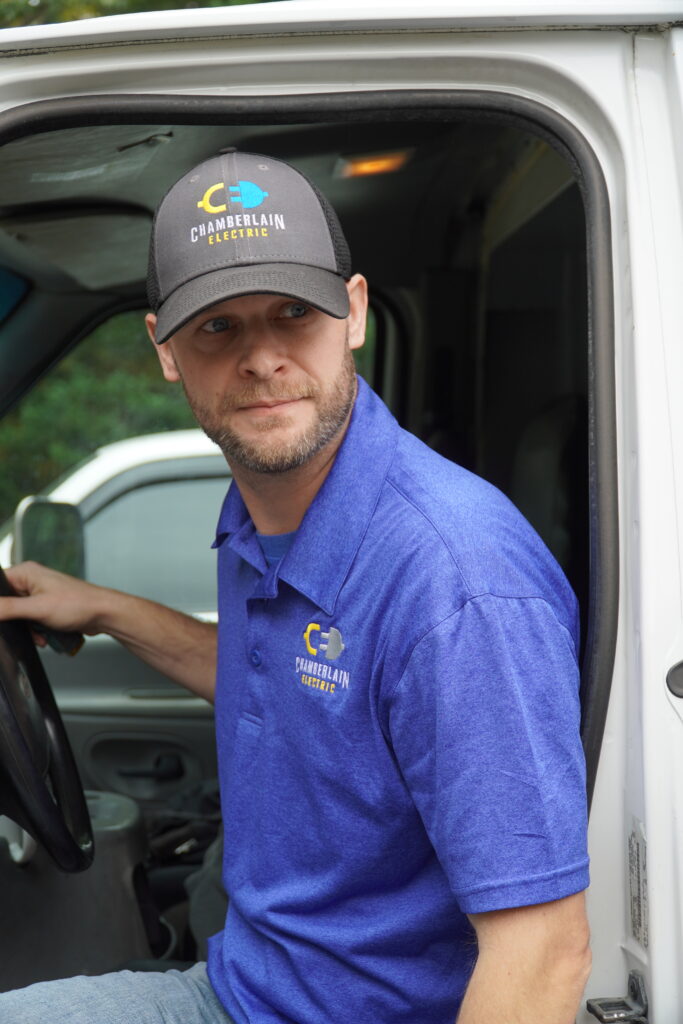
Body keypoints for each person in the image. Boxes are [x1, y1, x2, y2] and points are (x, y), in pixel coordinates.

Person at [0, 150, 591, 1023]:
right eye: (217, 328)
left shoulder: (458, 583)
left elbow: (543, 951)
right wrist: (107, 609)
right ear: (165, 349)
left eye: (291, 313)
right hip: (249, 984)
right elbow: (288, 677)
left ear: (351, 312)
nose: (261, 358)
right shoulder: (263, 509)